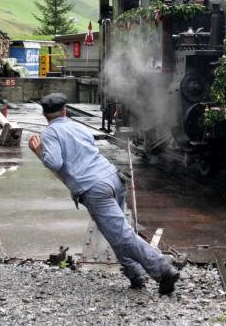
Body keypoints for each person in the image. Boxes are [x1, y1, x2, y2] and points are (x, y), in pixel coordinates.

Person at [28, 93, 180, 295]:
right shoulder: (78, 127)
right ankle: (135, 274)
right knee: (117, 233)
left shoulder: (50, 133)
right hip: (113, 178)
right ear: (65, 110)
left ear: (43, 113)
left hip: (95, 189)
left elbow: (55, 162)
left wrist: (39, 152)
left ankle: (162, 269)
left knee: (121, 234)